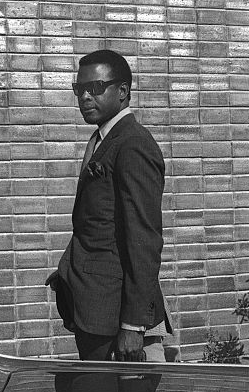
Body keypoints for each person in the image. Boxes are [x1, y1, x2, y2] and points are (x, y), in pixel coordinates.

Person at [46, 49, 171, 362]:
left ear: (123, 91)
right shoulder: (104, 138)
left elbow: (144, 239)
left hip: (116, 317)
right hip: (96, 308)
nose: (86, 96)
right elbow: (98, 225)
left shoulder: (133, 144)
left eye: (96, 88)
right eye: (80, 89)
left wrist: (133, 323)